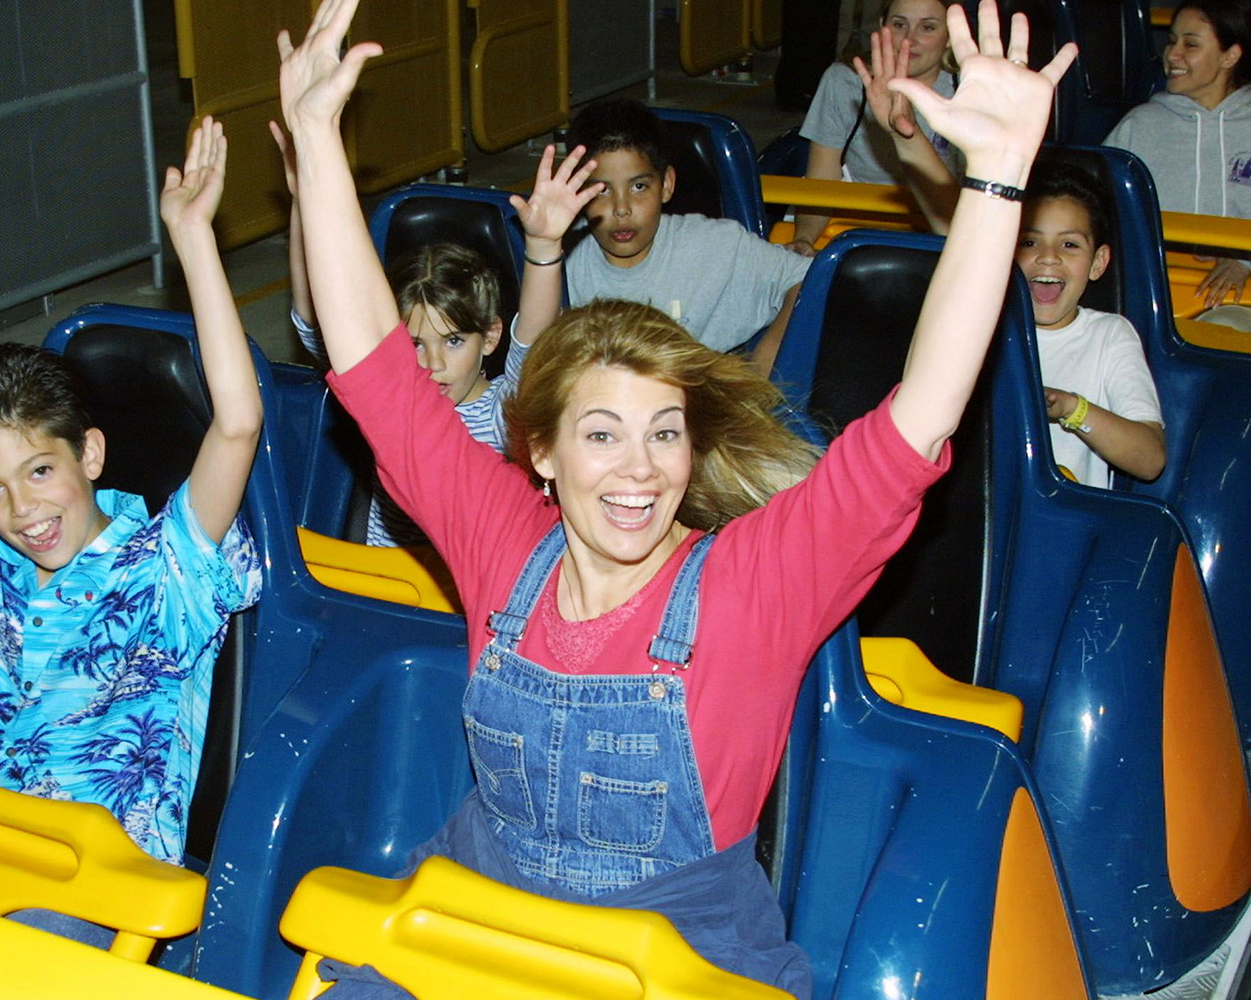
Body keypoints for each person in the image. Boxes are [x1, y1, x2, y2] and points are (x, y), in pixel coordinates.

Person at [277, 0, 1074, 995]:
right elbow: (377, 375)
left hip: (675, 962)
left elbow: (919, 420)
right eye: (602, 436)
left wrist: (996, 181)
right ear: (543, 458)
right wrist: (314, 141)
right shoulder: (499, 541)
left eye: (665, 435)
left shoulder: (751, 584)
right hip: (476, 924)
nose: (641, 469)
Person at [0, 118, 263, 868]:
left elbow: (236, 426)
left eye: (41, 472)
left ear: (91, 454)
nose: (22, 511)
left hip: (94, 873)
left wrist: (195, 240)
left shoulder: (166, 565)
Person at [271, 121, 599, 546]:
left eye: (454, 341)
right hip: (391, 582)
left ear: (492, 337)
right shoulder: (392, 397)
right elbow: (317, 316)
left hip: (472, 592)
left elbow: (535, 338)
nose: (433, 364)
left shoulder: (505, 411)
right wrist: (305, 203)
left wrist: (542, 246)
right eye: (414, 344)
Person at [557, 96, 808, 370]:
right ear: (578, 191)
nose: (622, 209)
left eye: (639, 187)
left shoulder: (714, 246)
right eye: (602, 190)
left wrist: (765, 357)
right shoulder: (560, 260)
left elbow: (807, 278)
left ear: (666, 184)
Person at [1017, 163, 1166, 488]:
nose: (1048, 257)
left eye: (1069, 244)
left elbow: (1150, 459)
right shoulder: (983, 328)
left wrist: (1072, 409)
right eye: (1030, 242)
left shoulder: (1109, 335)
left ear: (1098, 263)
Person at [1104, 0, 1251, 310]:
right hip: (1152, 294)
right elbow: (1093, 206)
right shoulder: (1139, 125)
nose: (1172, 54)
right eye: (1172, 41)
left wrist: (1244, 262)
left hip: (1239, 299)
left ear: (1231, 56)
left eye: (1191, 44)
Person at [789, 0, 963, 255]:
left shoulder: (968, 91)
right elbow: (822, 180)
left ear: (949, 37)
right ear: (882, 26)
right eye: (899, 24)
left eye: (927, 28)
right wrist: (804, 239)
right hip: (854, 226)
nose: (908, 40)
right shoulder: (844, 81)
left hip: (940, 229)